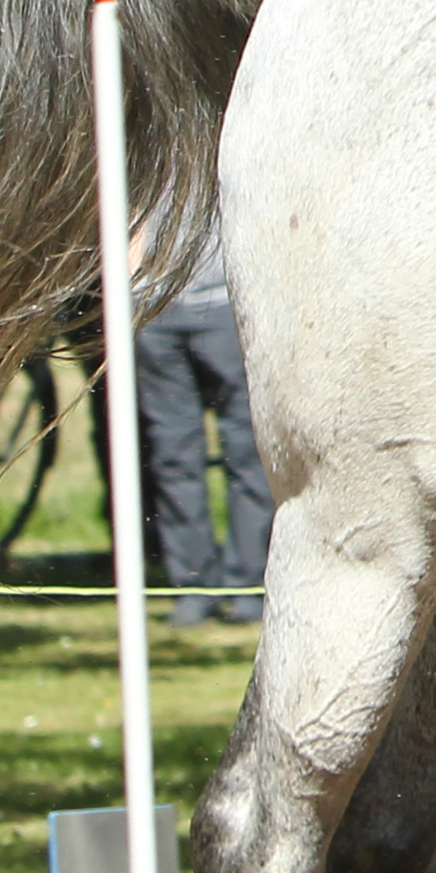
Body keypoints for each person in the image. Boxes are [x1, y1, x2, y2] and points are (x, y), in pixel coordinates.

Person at [135, 210, 274, 626]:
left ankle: (246, 587)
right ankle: (193, 590)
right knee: (172, 457)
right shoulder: (140, 145)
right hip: (153, 309)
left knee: (249, 451)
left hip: (226, 307)